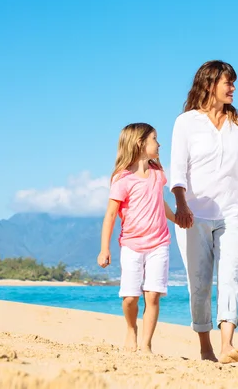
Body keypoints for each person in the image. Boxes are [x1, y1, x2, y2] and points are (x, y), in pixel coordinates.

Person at [170, 60, 238, 364]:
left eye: (233, 83)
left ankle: (226, 344)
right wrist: (181, 206)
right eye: (227, 83)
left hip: (232, 212)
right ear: (209, 85)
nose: (233, 88)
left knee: (229, 276)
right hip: (194, 216)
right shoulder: (186, 123)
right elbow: (178, 170)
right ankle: (205, 348)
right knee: (200, 281)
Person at [97, 122, 175, 353]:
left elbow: (159, 202)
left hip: (159, 243)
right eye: (154, 139)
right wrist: (105, 249)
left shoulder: (157, 173)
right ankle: (131, 329)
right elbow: (111, 215)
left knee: (153, 296)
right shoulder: (122, 179)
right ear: (140, 143)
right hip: (132, 245)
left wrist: (176, 218)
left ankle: (146, 345)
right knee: (130, 297)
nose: (159, 144)